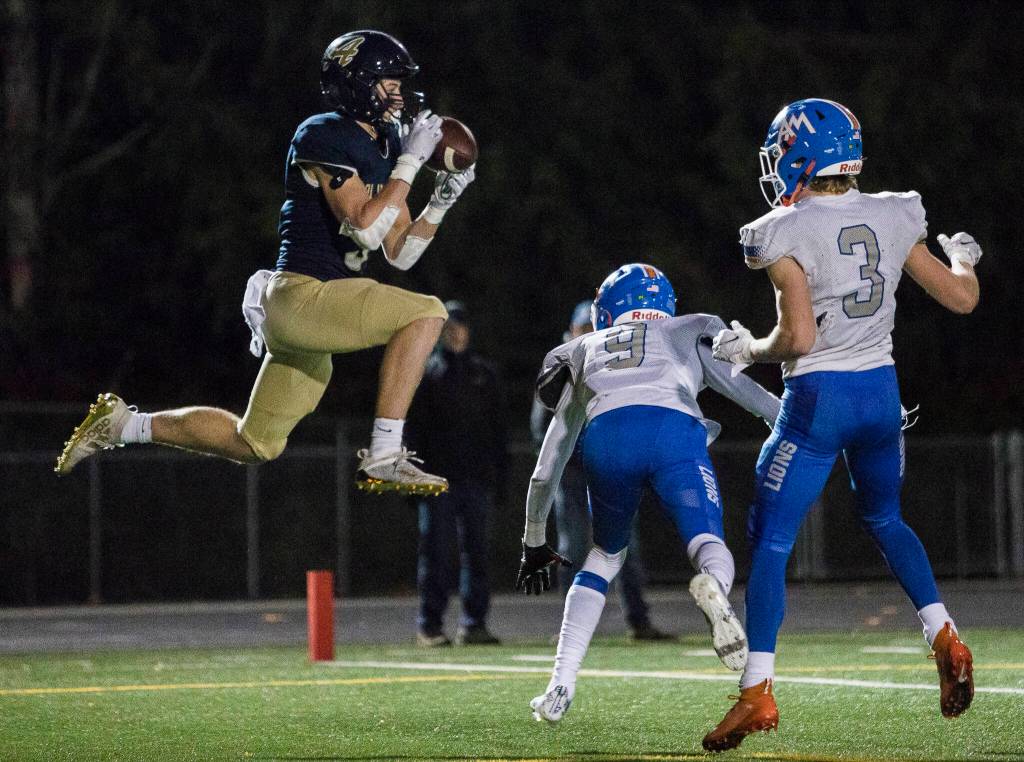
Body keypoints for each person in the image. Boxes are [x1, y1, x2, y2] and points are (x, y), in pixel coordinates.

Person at [54, 30, 475, 495]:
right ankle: (384, 454)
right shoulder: (323, 133)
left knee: (255, 442)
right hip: (300, 296)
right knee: (428, 313)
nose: (399, 94)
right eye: (389, 83)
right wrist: (411, 165)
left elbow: (399, 252)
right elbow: (364, 228)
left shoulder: (388, 146)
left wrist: (440, 203)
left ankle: (121, 425)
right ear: (356, 83)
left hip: (314, 315)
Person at [703, 98, 980, 752]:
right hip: (881, 397)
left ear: (799, 157)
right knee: (886, 519)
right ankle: (942, 631)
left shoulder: (783, 228)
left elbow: (797, 336)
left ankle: (756, 692)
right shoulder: (893, 211)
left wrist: (747, 350)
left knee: (770, 540)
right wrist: (964, 257)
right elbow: (962, 298)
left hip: (819, 399)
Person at [515, 263, 781, 723]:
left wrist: (533, 539)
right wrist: (806, 430)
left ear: (608, 307)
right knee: (707, 543)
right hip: (672, 430)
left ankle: (560, 684)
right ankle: (713, 588)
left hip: (608, 439)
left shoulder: (582, 348)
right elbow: (755, 399)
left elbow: (549, 463)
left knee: (604, 557)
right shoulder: (685, 331)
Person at [529, 301, 672, 640]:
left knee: (625, 548)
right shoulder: (560, 366)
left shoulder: (612, 363)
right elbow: (543, 428)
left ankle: (639, 621)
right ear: (571, 332)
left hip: (610, 473)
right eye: (582, 329)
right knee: (573, 547)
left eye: (592, 329)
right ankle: (572, 628)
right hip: (575, 475)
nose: (588, 335)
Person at [407, 301, 507, 646]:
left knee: (477, 553)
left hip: (475, 480)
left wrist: (501, 477)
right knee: (435, 554)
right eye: (450, 326)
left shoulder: (484, 374)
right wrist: (412, 479)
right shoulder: (427, 373)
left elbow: (498, 430)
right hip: (436, 482)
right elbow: (413, 431)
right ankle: (430, 625)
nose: (456, 332)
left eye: (461, 326)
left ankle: (474, 623)